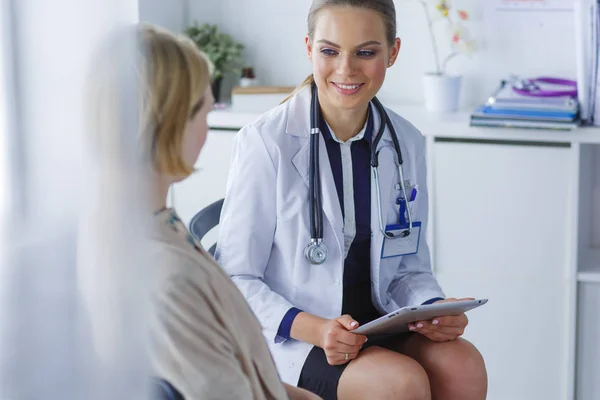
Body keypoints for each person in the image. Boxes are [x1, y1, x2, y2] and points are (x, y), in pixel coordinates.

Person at [215, 1, 488, 399]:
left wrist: (433, 310)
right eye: (329, 51)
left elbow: (409, 266)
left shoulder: (406, 142)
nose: (346, 69)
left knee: (463, 364)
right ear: (309, 48)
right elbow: (234, 279)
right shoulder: (265, 143)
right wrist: (315, 328)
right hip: (296, 335)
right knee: (398, 383)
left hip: (379, 323)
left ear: (392, 53)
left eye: (366, 52)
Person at [81, 23, 320, 400]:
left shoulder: (147, 224)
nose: (206, 132)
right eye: (203, 114)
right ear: (171, 121)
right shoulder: (165, 277)